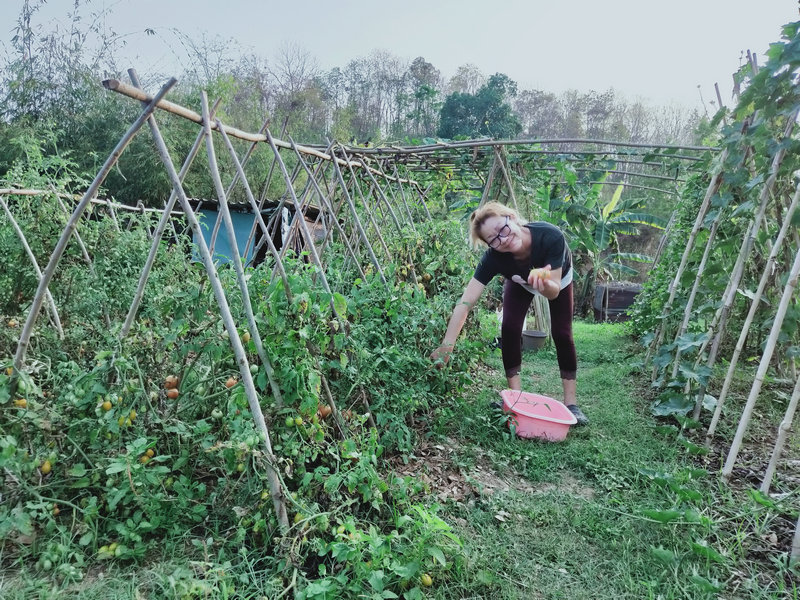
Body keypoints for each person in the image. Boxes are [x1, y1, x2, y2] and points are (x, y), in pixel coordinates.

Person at [430, 202, 589, 426]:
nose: (502, 239)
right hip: (520, 281)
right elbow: (465, 303)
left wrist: (543, 282)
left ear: (512, 218)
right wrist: (447, 345)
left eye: (503, 229)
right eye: (494, 239)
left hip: (557, 280)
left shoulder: (550, 236)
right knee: (510, 328)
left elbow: (553, 292)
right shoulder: (494, 258)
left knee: (562, 333)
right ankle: (515, 399)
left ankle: (571, 404)